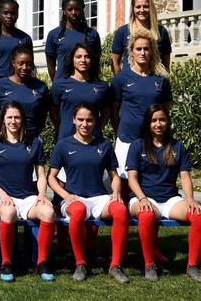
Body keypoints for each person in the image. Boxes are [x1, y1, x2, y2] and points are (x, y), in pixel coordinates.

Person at [48, 104, 130, 284]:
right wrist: (65, 195)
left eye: (89, 120)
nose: (85, 124)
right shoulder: (63, 145)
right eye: (81, 120)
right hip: (74, 197)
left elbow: (114, 176)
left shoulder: (104, 145)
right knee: (77, 212)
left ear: (96, 122)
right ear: (74, 120)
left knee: (121, 211)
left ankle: (115, 265)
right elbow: (51, 178)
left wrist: (116, 191)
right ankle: (80, 263)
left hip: (99, 198)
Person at [127, 104, 201, 282]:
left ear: (168, 121)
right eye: (154, 120)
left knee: (199, 215)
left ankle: (192, 266)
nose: (158, 124)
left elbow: (185, 177)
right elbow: (132, 178)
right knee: (146, 214)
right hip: (143, 198)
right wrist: (142, 198)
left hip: (170, 199)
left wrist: (191, 199)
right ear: (148, 123)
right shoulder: (137, 145)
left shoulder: (178, 146)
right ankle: (149, 265)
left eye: (162, 119)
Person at [0, 102, 55, 282]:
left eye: (17, 117)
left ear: (22, 119)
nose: (13, 121)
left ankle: (42, 262)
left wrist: (41, 195)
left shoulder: (34, 143)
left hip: (28, 197)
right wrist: (2, 195)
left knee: (48, 212)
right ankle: (6, 263)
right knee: (8, 212)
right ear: (3, 120)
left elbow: (41, 174)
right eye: (9, 117)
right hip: (2, 197)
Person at [111, 29, 172, 201]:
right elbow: (114, 110)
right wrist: (119, 132)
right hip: (127, 138)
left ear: (152, 50)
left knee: (148, 180)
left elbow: (166, 111)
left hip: (152, 140)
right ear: (131, 51)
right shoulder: (120, 79)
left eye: (146, 48)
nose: (142, 52)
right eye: (138, 49)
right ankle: (123, 222)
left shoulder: (161, 80)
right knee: (123, 180)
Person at [51, 43, 112, 142]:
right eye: (78, 57)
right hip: (66, 139)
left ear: (92, 60)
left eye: (87, 57)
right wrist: (63, 128)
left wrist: (97, 128)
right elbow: (53, 112)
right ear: (72, 59)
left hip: (94, 142)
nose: (83, 60)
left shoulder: (102, 87)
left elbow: (106, 113)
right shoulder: (60, 85)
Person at [0, 45, 52, 138]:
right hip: (7, 140)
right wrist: (1, 132)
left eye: (29, 64)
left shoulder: (41, 87)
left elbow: (43, 115)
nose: (25, 67)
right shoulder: (0, 86)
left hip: (31, 140)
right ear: (13, 63)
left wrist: (35, 132)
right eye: (21, 63)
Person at [111, 0, 172, 74]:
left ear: (151, 8)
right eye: (138, 7)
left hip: (155, 81)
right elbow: (115, 62)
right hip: (130, 82)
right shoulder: (122, 31)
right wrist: (120, 81)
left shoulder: (161, 31)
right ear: (133, 9)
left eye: (146, 7)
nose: (142, 10)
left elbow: (166, 64)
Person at [45, 0, 101, 81]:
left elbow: (96, 62)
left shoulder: (92, 34)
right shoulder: (54, 34)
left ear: (82, 10)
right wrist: (57, 84)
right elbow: (50, 64)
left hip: (87, 84)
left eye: (77, 9)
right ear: (64, 11)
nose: (73, 12)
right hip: (63, 86)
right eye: (70, 9)